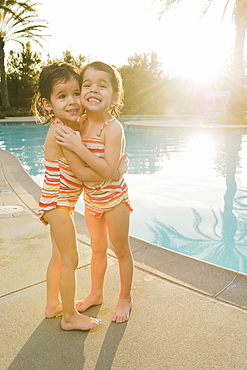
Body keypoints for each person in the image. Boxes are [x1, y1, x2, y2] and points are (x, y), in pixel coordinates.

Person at [32, 62, 127, 330]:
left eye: (76, 93)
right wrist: (116, 173)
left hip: (53, 201)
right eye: (62, 96)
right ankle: (69, 316)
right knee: (71, 259)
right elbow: (84, 174)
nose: (72, 101)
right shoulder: (65, 132)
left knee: (58, 258)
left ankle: (53, 305)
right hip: (59, 204)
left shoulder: (71, 125)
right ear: (48, 104)